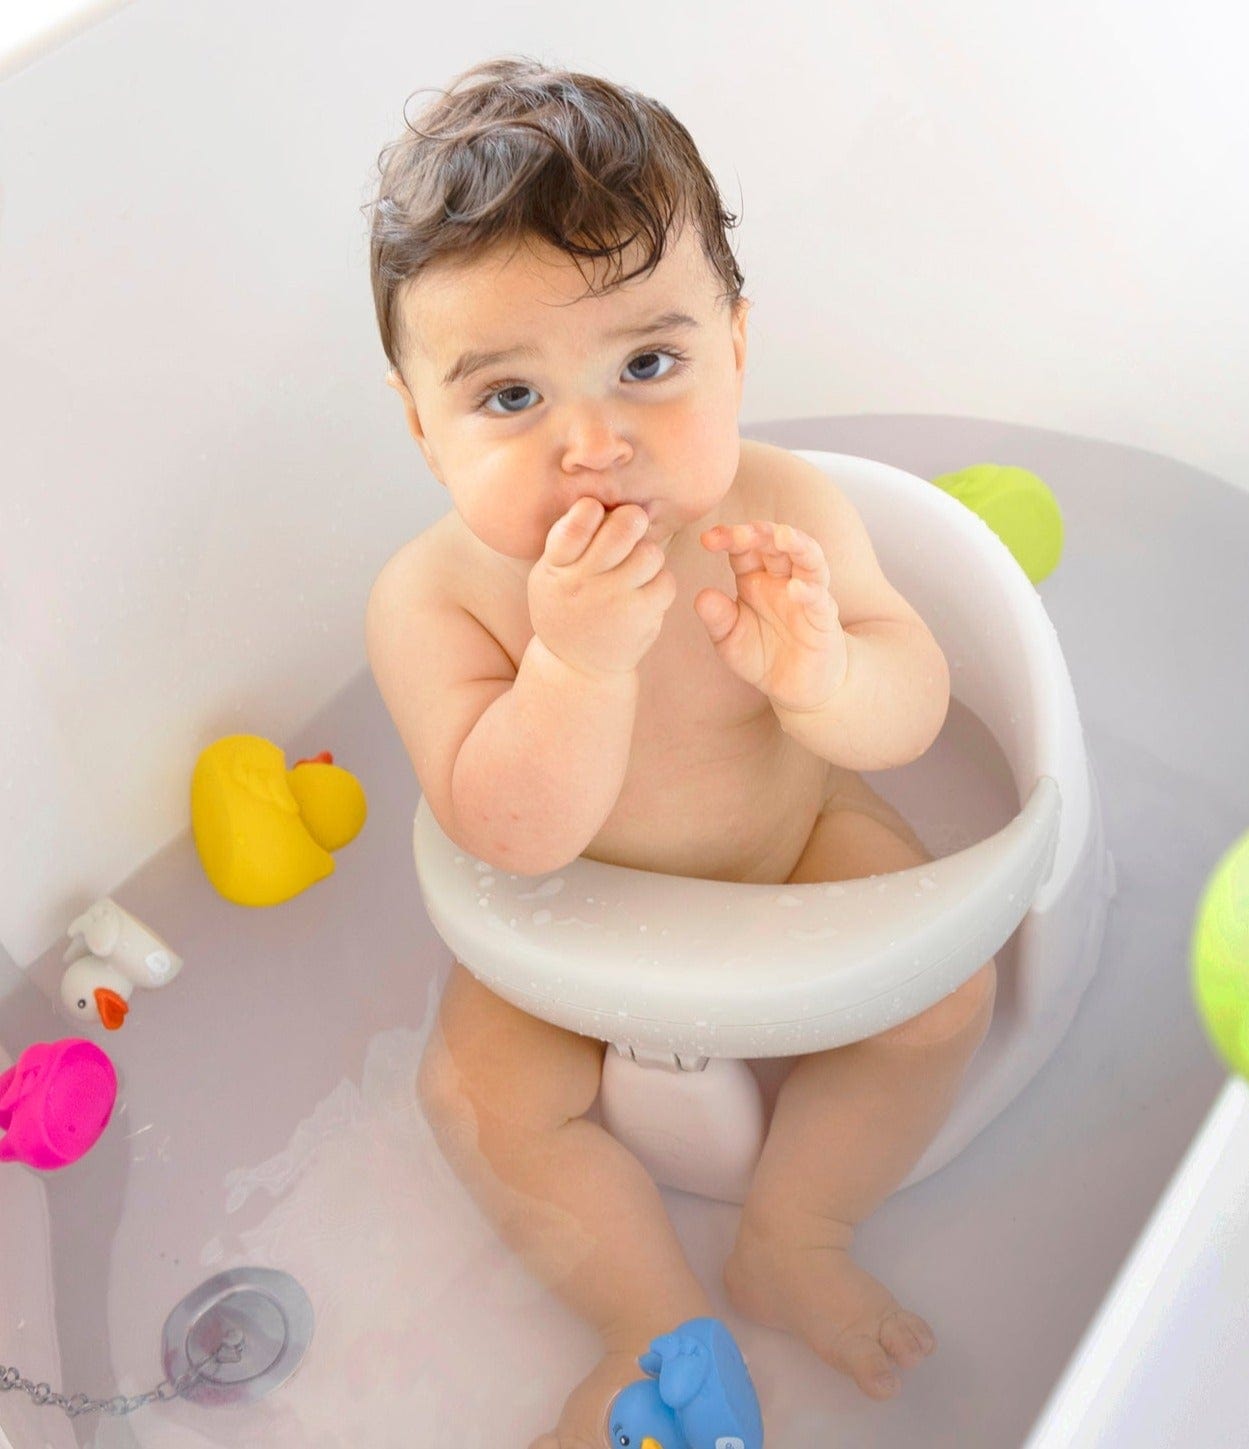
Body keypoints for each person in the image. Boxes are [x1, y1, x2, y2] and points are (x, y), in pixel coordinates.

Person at [363, 55, 996, 1449]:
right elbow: (504, 831)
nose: (597, 442)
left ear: (737, 348)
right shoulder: (435, 597)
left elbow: (915, 705)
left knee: (940, 999)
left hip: (788, 847)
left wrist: (825, 675)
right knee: (475, 1099)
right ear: (423, 425)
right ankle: (652, 1326)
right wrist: (571, 664)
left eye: (648, 364)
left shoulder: (779, 507)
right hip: (565, 923)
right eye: (510, 399)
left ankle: (795, 1231)